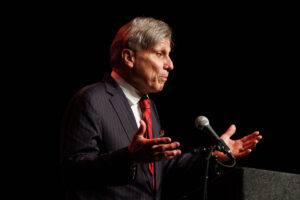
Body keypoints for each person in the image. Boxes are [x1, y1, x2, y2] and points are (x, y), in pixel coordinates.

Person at [60, 17, 262, 200]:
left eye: (169, 55)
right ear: (129, 58)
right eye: (160, 54)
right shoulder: (91, 100)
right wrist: (129, 157)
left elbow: (158, 170)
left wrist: (213, 156)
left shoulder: (149, 107)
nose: (170, 65)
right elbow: (72, 170)